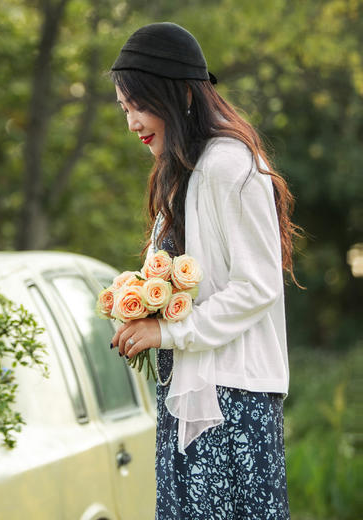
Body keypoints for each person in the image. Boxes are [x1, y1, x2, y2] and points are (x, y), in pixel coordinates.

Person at [109, 22, 300, 520]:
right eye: (124, 109)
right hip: (192, 395)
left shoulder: (227, 165)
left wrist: (167, 328)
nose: (131, 123)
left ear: (175, 95)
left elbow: (256, 286)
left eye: (139, 105)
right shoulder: (186, 171)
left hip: (232, 403)